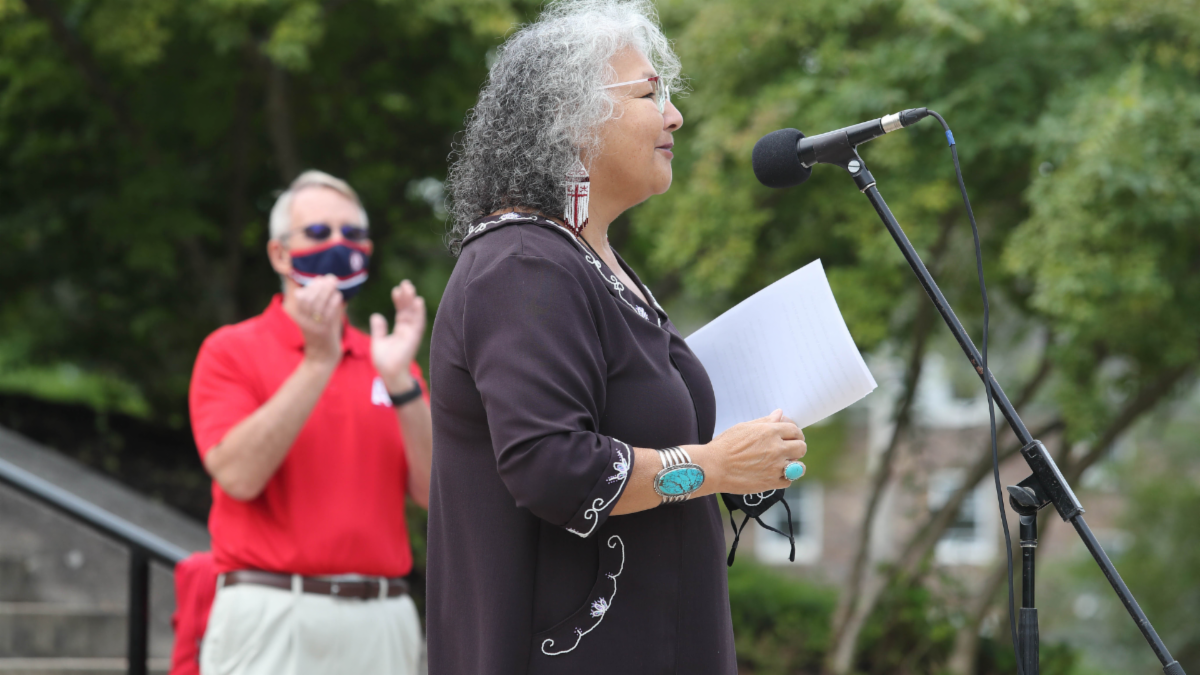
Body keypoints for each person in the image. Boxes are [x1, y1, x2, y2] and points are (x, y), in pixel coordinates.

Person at [426, 1, 808, 673]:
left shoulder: (596, 265)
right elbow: (554, 466)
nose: (674, 116)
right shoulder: (522, 265)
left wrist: (747, 462)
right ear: (572, 119)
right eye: (649, 92)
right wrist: (712, 465)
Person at [188, 170, 431, 675]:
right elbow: (237, 475)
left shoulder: (390, 359)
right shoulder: (230, 350)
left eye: (353, 234)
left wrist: (402, 385)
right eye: (319, 234)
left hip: (381, 618)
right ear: (279, 254)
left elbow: (438, 493)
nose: (340, 246)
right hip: (273, 616)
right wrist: (318, 363)